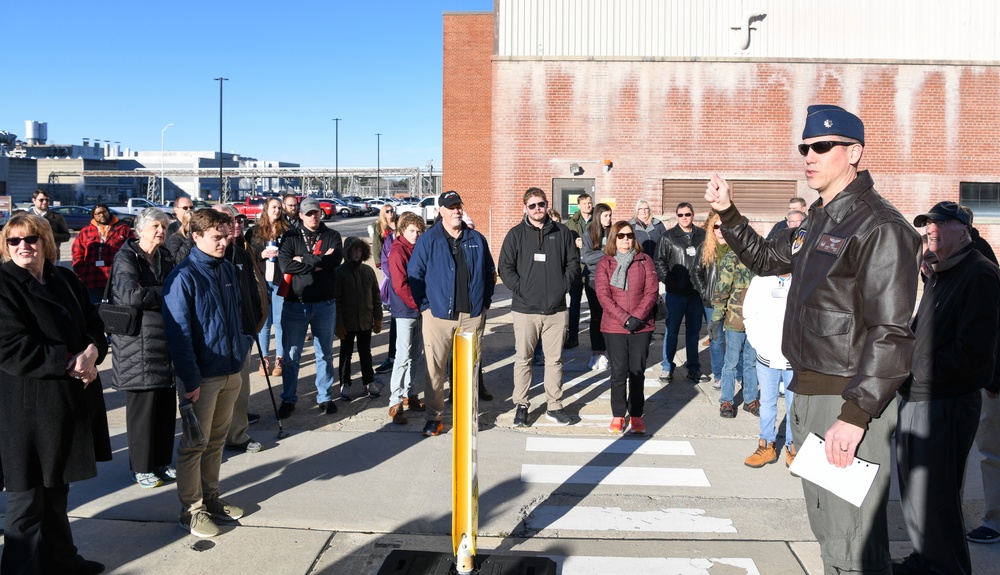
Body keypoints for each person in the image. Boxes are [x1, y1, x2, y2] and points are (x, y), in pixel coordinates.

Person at [705, 104, 921, 574]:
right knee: (829, 533)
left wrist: (856, 414)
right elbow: (766, 259)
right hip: (807, 392)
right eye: (805, 147)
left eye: (822, 147)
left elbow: (890, 334)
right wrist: (728, 211)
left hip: (844, 401)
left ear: (854, 153)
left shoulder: (879, 227)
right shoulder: (821, 218)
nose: (809, 155)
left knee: (853, 542)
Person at [892, 201, 1000, 574]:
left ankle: (946, 568)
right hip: (920, 396)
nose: (930, 230)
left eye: (940, 224)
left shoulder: (980, 274)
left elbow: (975, 352)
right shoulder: (942, 272)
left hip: (946, 402)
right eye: (927, 225)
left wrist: (913, 371)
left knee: (935, 497)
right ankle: (927, 559)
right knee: (916, 494)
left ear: (963, 230)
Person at [0, 213, 111, 575]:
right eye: (14, 241)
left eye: (30, 238)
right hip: (24, 409)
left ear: (46, 241)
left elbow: (95, 325)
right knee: (27, 501)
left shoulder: (64, 278)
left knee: (56, 493)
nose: (23, 246)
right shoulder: (3, 285)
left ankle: (61, 561)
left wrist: (92, 352)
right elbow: (11, 348)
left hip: (66, 404)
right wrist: (69, 362)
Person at [163, 208, 251, 539]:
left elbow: (237, 315)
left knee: (216, 441)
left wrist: (242, 347)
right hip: (201, 379)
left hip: (230, 370)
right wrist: (191, 380)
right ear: (196, 236)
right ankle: (192, 511)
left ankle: (211, 498)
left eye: (226, 237)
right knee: (193, 445)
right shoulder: (183, 277)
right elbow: (179, 334)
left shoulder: (226, 268)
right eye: (216, 237)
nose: (223, 243)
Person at [408, 190, 495, 437]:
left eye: (458, 205)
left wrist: (484, 304)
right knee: (434, 369)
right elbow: (415, 276)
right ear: (440, 212)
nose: (456, 210)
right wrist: (424, 307)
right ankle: (434, 417)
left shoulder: (476, 239)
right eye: (451, 206)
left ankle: (466, 415)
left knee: (468, 368)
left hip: (471, 316)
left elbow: (489, 273)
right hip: (437, 317)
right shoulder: (429, 240)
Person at [498, 187, 579, 428]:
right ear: (525, 208)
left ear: (546, 205)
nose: (537, 209)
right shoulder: (515, 235)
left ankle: (554, 405)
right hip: (525, 310)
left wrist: (562, 287)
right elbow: (505, 267)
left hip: (556, 310)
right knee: (524, 358)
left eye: (541, 204)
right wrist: (522, 290)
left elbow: (573, 263)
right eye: (532, 205)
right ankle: (521, 405)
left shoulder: (562, 232)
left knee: (554, 361)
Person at [109, 208, 178, 488]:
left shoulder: (165, 256)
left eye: (164, 226)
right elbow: (130, 296)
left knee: (163, 407)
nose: (161, 231)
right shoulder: (127, 256)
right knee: (143, 411)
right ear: (140, 230)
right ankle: (141, 467)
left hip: (164, 340)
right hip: (137, 343)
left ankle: (161, 462)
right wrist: (167, 292)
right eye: (155, 226)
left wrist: (163, 291)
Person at [276, 198, 343, 418]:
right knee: (291, 355)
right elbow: (285, 264)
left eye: (317, 213)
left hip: (325, 303)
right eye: (309, 213)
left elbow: (334, 262)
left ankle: (324, 397)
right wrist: (317, 261)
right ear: (301, 216)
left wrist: (303, 260)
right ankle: (288, 399)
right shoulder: (290, 236)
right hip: (296, 303)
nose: (314, 216)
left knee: (324, 353)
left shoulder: (331, 236)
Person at [595, 220, 658, 434]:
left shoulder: (644, 261)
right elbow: (603, 295)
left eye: (629, 235)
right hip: (614, 326)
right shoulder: (606, 263)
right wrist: (624, 318)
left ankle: (637, 413)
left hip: (641, 326)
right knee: (619, 373)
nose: (625, 239)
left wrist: (637, 318)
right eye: (620, 236)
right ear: (614, 238)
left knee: (637, 371)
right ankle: (618, 415)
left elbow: (652, 292)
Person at [214, 205, 267, 455]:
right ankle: (211, 439)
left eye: (237, 220)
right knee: (214, 393)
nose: (236, 225)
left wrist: (255, 317)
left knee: (240, 389)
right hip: (216, 338)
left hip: (243, 332)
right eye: (229, 220)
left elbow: (252, 289)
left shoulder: (240, 251)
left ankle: (237, 435)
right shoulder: (210, 256)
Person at [741, 272, 796, 468]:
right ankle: (767, 445)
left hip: (794, 358)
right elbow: (749, 313)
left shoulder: (803, 276)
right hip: (767, 354)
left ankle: (793, 446)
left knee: (795, 406)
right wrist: (758, 343)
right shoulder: (761, 281)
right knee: (767, 403)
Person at [655, 202, 708, 383]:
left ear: (693, 215)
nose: (684, 218)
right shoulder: (668, 237)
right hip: (676, 294)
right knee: (672, 331)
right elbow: (660, 262)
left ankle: (693, 367)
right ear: (676, 216)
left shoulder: (703, 236)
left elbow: (709, 260)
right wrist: (670, 281)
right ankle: (667, 366)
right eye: (680, 215)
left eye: (687, 214)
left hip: (695, 294)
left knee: (694, 333)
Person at [387, 212, 427, 424]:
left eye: (419, 231)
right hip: (405, 311)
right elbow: (400, 285)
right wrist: (418, 304)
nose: (416, 234)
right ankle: (395, 401)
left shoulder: (419, 248)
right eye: (412, 230)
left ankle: (410, 395)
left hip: (420, 309)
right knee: (402, 357)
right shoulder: (397, 252)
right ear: (402, 231)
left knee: (415, 355)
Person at [710, 239, 758, 418]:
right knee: (730, 363)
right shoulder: (731, 258)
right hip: (734, 319)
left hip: (754, 320)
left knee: (751, 362)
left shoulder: (758, 258)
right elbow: (722, 289)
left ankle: (751, 398)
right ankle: (727, 400)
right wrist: (716, 318)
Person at [335, 237, 383, 400]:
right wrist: (338, 323)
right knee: (346, 353)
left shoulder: (368, 271)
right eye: (354, 250)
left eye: (360, 250)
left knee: (365, 352)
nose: (357, 254)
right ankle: (345, 382)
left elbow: (376, 296)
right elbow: (337, 300)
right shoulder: (340, 272)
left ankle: (368, 381)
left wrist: (378, 318)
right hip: (347, 323)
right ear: (347, 252)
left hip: (365, 320)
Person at [246, 197, 289, 376]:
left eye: (279, 208)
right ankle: (264, 359)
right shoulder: (253, 232)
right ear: (266, 209)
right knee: (264, 322)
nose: (277, 211)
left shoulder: (287, 231)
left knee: (279, 322)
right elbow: (248, 255)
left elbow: (293, 252)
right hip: (262, 281)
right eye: (274, 207)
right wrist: (261, 254)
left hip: (280, 281)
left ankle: (280, 358)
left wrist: (283, 254)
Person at [692, 212, 728, 390]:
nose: (720, 230)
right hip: (712, 302)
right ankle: (719, 375)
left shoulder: (736, 247)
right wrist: (706, 292)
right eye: (716, 226)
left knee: (736, 340)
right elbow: (696, 273)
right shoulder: (704, 247)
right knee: (716, 339)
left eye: (723, 226)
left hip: (733, 302)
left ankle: (736, 373)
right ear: (711, 228)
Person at [71, 203, 134, 304]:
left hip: (116, 278)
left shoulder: (123, 229)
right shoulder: (85, 232)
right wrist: (81, 272)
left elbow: (132, 250)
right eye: (98, 214)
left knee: (117, 309)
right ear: (93, 216)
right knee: (95, 309)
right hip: (92, 279)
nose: (102, 215)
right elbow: (77, 254)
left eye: (104, 212)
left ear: (108, 212)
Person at [581, 202, 613, 370]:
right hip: (593, 279)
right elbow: (587, 258)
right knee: (596, 316)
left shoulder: (613, 232)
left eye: (610, 215)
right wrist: (607, 253)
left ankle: (608, 351)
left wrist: (601, 255)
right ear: (598, 216)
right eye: (606, 215)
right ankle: (597, 353)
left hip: (612, 279)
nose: (609, 218)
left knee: (611, 316)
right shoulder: (588, 233)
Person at [563, 193, 593, 348]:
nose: (588, 205)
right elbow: (564, 246)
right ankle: (573, 337)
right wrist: (573, 243)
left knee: (596, 306)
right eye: (585, 203)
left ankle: (598, 339)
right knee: (574, 305)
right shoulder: (570, 224)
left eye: (590, 202)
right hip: (576, 270)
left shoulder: (598, 221)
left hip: (593, 271)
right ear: (579, 205)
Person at [371, 204, 397, 374]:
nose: (390, 213)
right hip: (390, 272)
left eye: (392, 210)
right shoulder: (380, 228)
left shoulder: (400, 224)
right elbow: (377, 247)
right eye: (387, 211)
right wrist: (380, 264)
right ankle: (393, 357)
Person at [26, 189, 70, 260]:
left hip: (51, 256)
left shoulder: (57, 217)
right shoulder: (27, 217)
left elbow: (66, 236)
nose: (45, 202)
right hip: (32, 256)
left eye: (47, 200)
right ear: (34, 201)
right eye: (41, 200)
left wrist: (50, 236)